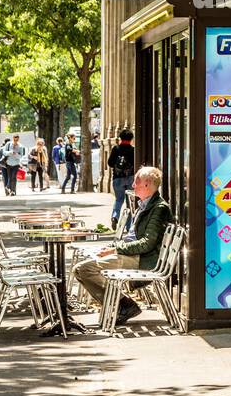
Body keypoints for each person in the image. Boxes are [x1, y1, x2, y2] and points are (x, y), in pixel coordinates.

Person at [72, 166, 171, 326]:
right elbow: (133, 238)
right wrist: (114, 247)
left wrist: (116, 249)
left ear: (147, 184)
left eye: (136, 182)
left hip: (143, 259)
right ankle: (120, 304)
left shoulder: (158, 208)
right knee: (80, 269)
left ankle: (123, 304)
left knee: (84, 269)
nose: (133, 185)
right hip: (133, 254)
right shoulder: (144, 205)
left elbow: (147, 244)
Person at [106, 129, 136, 229]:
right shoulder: (133, 150)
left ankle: (115, 216)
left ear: (120, 138)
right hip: (130, 178)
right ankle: (128, 226)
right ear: (131, 139)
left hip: (117, 178)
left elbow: (110, 163)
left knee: (119, 200)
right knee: (129, 203)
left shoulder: (116, 149)